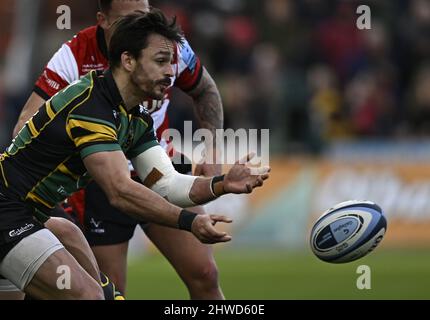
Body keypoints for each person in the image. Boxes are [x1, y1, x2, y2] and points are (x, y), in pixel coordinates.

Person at [0, 9, 270, 299]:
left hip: (32, 215)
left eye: (171, 62)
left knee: (90, 273)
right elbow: (120, 191)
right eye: (160, 61)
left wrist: (222, 184)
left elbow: (166, 184)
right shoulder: (92, 107)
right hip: (8, 211)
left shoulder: (136, 117)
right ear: (128, 60)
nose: (170, 72)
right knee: (88, 295)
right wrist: (189, 222)